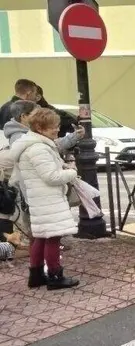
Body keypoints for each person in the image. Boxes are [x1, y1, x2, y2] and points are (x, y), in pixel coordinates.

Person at [9, 108, 80, 290]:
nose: (57, 129)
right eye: (53, 127)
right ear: (40, 128)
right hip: (48, 199)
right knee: (53, 237)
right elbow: (51, 177)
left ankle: (36, 275)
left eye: (57, 125)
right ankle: (55, 276)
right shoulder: (38, 148)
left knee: (40, 237)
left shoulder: (31, 144)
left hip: (39, 198)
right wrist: (71, 172)